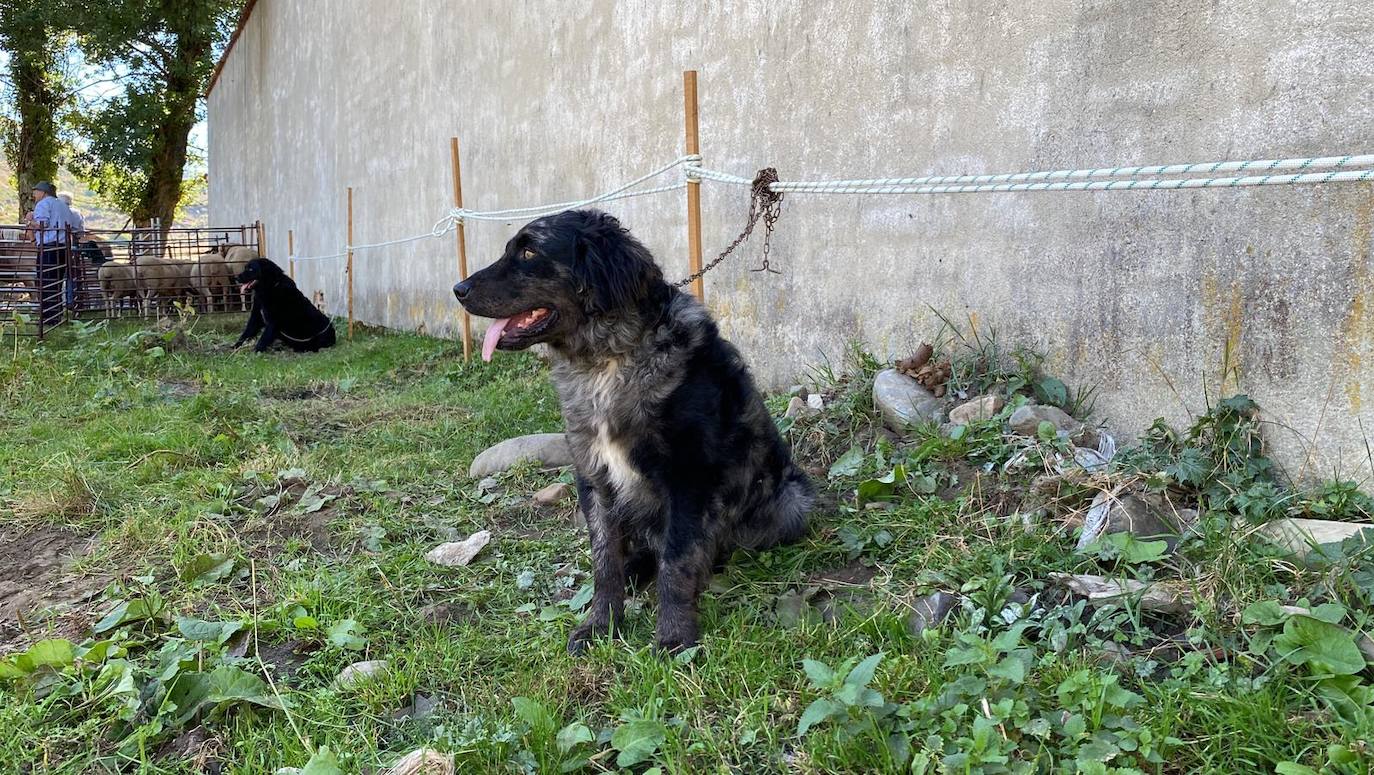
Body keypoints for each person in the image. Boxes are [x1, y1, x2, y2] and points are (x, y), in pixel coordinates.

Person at [29, 181, 77, 318]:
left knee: (46, 280)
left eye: (36, 191)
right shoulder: (63, 205)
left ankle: (49, 316)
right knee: (57, 281)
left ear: (43, 192)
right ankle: (57, 312)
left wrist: (29, 220)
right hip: (63, 246)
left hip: (48, 246)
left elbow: (41, 225)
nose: (34, 194)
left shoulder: (43, 204)